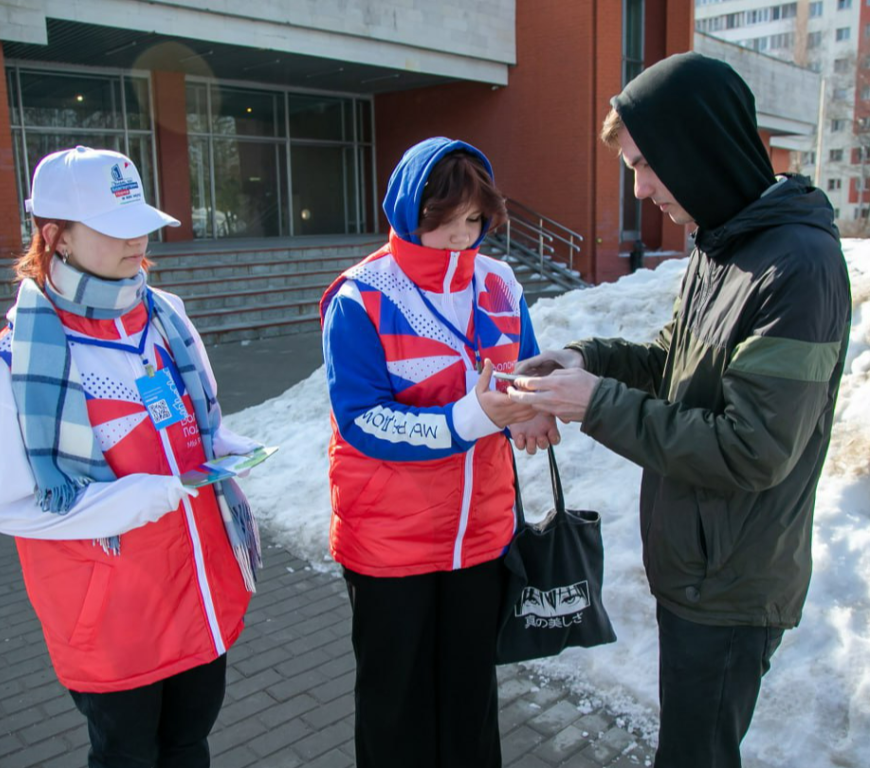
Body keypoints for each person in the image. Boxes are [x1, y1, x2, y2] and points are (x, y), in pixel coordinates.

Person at [508, 53, 852, 768]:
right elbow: (674, 362)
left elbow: (752, 448)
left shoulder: (797, 269)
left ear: (694, 147)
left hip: (732, 585)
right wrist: (588, 361)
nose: (640, 188)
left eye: (645, 163)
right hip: (697, 564)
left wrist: (597, 405)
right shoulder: (724, 245)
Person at [0, 146, 262, 768]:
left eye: (142, 225)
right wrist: (129, 501)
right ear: (57, 237)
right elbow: (10, 506)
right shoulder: (18, 360)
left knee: (188, 745)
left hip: (198, 589)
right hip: (113, 615)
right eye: (117, 228)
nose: (140, 243)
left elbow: (192, 419)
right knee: (127, 755)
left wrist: (220, 448)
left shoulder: (165, 318)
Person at [319, 136, 559, 768]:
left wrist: (529, 408)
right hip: (390, 542)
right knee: (395, 707)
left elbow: (521, 369)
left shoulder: (501, 283)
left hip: (480, 535)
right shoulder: (361, 295)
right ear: (408, 211)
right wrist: (473, 416)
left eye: (474, 220)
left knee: (470, 701)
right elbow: (363, 419)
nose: (460, 236)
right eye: (444, 220)